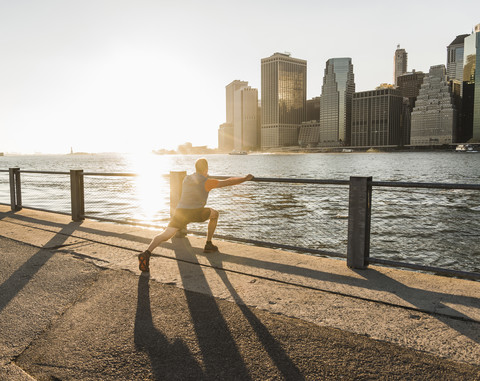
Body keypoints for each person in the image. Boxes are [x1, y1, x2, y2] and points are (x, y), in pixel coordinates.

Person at [138, 158, 253, 272]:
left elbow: (197, 180)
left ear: (196, 168)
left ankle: (146, 253)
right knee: (215, 214)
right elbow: (228, 182)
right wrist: (245, 178)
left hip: (181, 212)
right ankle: (208, 244)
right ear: (206, 169)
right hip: (197, 212)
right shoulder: (207, 182)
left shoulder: (187, 178)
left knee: (165, 234)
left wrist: (204, 176)